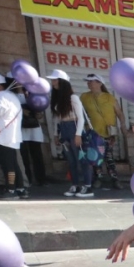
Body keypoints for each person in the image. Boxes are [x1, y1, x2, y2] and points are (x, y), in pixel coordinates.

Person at [47, 70, 94, 198]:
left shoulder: (73, 97)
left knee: (82, 159)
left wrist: (78, 134)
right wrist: (56, 134)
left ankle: (88, 186)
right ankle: (75, 184)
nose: (53, 82)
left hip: (74, 127)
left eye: (55, 80)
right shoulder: (57, 98)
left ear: (63, 82)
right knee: (71, 160)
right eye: (52, 80)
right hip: (64, 129)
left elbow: (81, 118)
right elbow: (57, 118)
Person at [80, 74, 122, 189]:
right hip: (93, 134)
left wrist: (122, 128)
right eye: (88, 82)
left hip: (108, 133)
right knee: (95, 157)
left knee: (109, 157)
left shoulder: (109, 98)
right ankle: (98, 178)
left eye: (91, 81)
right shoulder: (84, 97)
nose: (89, 84)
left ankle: (115, 179)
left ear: (99, 83)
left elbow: (119, 114)